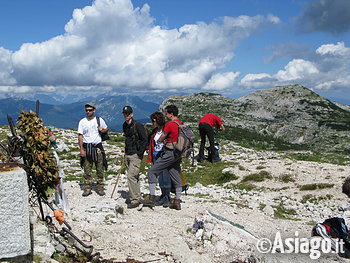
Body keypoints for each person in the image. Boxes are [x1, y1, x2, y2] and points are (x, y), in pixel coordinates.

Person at [142, 105, 183, 210]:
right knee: (175, 175)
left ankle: (151, 198)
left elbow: (160, 139)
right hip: (178, 153)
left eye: (167, 113)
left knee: (152, 172)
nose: (166, 115)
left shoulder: (170, 125)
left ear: (171, 114)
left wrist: (162, 140)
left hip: (169, 152)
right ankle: (177, 201)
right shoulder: (180, 123)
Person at [78, 103, 109, 197]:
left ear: (94, 110)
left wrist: (102, 130)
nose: (88, 112)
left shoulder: (99, 120)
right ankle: (87, 187)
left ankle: (100, 186)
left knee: (100, 167)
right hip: (87, 146)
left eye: (90, 110)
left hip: (97, 146)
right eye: (86, 110)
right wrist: (81, 149)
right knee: (87, 168)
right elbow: (80, 135)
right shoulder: (82, 122)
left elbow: (106, 128)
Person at [122, 106, 148, 208]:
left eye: (127, 114)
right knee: (134, 177)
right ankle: (136, 196)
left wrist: (139, 153)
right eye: (124, 114)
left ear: (132, 114)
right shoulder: (125, 125)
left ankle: (134, 199)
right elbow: (127, 138)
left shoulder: (138, 125)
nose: (126, 116)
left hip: (135, 155)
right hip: (128, 153)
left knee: (131, 176)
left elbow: (144, 139)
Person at [146, 111, 172, 207]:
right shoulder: (154, 131)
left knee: (165, 176)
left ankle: (166, 197)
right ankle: (163, 195)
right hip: (155, 155)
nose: (153, 123)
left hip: (163, 155)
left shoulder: (166, 130)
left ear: (158, 121)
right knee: (160, 177)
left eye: (154, 121)